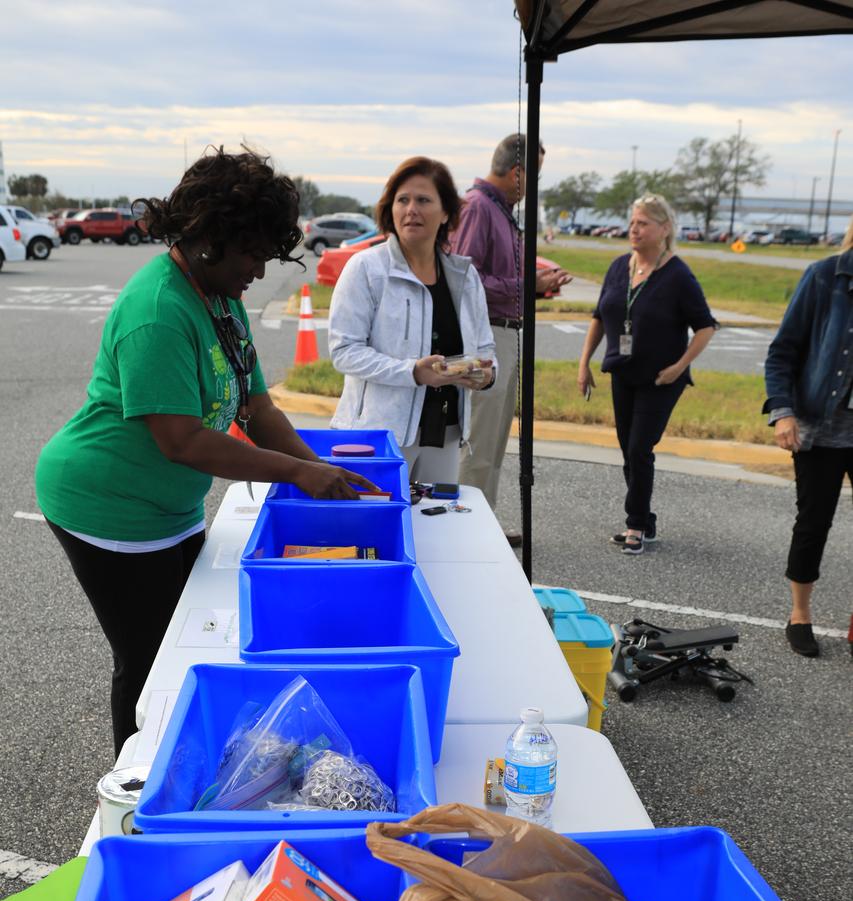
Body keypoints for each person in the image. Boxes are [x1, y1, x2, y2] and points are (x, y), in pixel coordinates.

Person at [35, 147, 378, 756]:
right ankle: (133, 794)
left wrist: (316, 469)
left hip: (169, 508)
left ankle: (192, 763)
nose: (259, 270)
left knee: (191, 642)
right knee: (150, 661)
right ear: (210, 238)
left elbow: (256, 406)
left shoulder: (219, 295)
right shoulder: (159, 310)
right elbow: (183, 441)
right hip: (107, 506)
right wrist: (298, 472)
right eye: (253, 253)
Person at [328, 156, 496, 486]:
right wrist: (413, 373)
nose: (411, 209)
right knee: (377, 532)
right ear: (390, 209)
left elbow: (486, 347)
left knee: (436, 530)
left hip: (445, 434)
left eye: (423, 200)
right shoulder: (366, 268)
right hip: (379, 437)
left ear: (446, 211)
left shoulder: (464, 276)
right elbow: (344, 351)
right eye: (402, 200)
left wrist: (487, 375)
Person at [448, 134, 571, 544]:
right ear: (517, 173)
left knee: (496, 440)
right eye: (532, 176)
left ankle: (482, 519)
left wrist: (533, 284)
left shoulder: (499, 211)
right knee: (479, 438)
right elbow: (465, 279)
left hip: (505, 332)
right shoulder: (478, 208)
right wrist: (526, 285)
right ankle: (464, 525)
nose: (532, 187)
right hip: (486, 336)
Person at [577, 194, 717, 555]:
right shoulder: (619, 266)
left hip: (661, 379)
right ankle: (645, 519)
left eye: (643, 224)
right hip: (623, 371)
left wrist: (679, 366)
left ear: (664, 229)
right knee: (628, 448)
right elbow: (599, 316)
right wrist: (584, 363)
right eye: (633, 222)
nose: (634, 230)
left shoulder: (678, 275)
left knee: (640, 448)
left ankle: (636, 523)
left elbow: (705, 327)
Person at [763, 216, 853, 658]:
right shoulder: (824, 277)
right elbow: (782, 350)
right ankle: (800, 615)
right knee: (814, 522)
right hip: (821, 428)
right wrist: (783, 413)